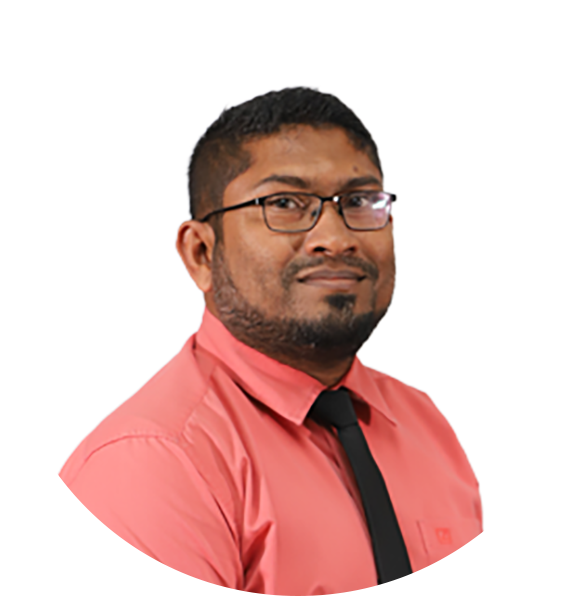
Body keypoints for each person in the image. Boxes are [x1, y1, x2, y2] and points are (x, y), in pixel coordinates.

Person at [37, 87, 504, 595]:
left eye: (358, 202)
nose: (336, 238)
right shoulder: (152, 464)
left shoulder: (424, 426)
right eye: (284, 203)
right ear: (201, 253)